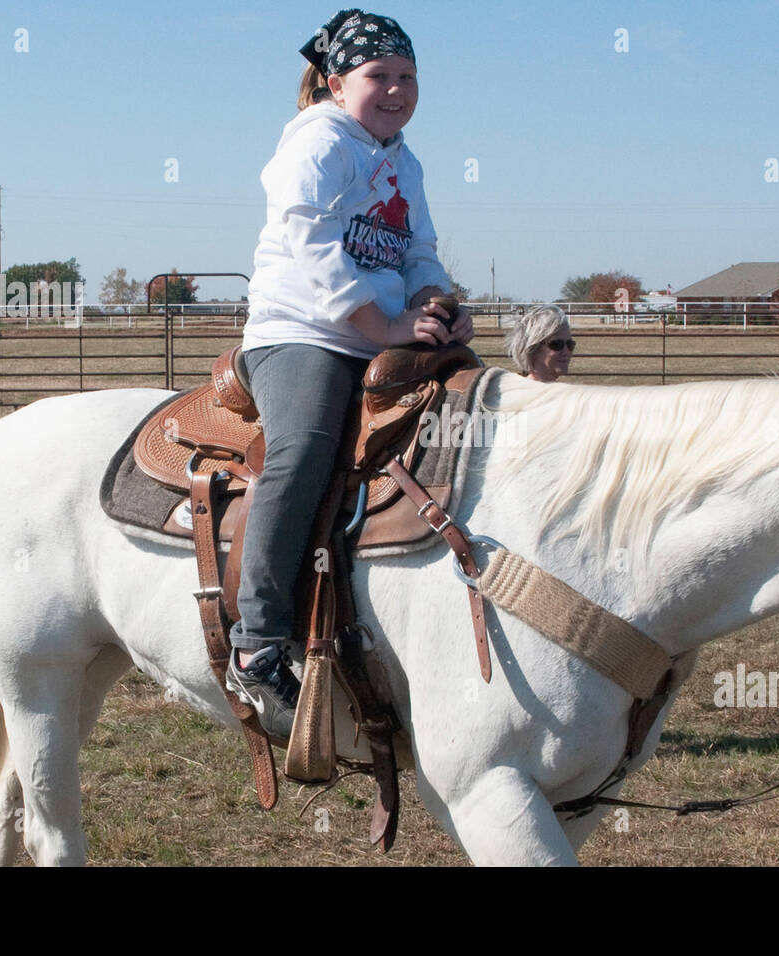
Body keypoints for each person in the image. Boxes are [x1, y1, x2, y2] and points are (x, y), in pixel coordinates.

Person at [226, 9, 474, 737]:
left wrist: (437, 302)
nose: (396, 90)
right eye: (378, 77)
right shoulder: (317, 141)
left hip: (384, 333)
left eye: (407, 77)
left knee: (480, 412)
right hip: (303, 334)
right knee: (302, 451)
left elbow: (419, 249)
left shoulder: (405, 158)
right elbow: (312, 244)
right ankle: (259, 643)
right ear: (337, 84)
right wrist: (386, 325)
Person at [504, 304, 574, 382]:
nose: (566, 352)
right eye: (557, 345)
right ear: (533, 349)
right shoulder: (521, 392)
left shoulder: (563, 393)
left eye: (570, 345)